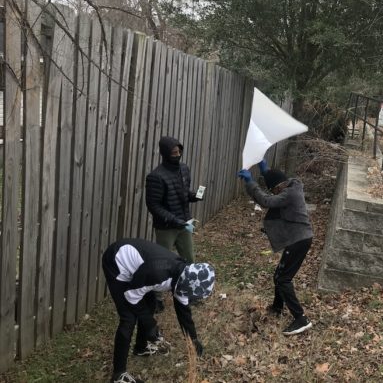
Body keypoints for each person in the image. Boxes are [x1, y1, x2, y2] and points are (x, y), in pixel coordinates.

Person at [102, 238, 215, 383]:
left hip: (142, 271)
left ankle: (141, 348)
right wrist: (150, 324)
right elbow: (131, 296)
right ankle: (118, 375)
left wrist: (193, 338)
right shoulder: (159, 274)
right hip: (117, 261)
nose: (191, 298)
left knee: (150, 305)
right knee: (128, 318)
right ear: (188, 285)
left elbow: (183, 311)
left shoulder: (184, 275)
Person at [237, 160, 313, 335]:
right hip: (299, 238)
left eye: (274, 189)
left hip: (298, 241)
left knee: (283, 279)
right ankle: (277, 308)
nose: (274, 192)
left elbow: (266, 201)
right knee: (279, 275)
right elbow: (274, 178)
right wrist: (264, 169)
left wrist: (250, 182)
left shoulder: (287, 194)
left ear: (279, 187)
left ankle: (301, 318)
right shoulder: (292, 185)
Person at [146, 136, 202, 263]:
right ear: (165, 154)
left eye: (179, 152)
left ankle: (186, 281)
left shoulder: (184, 169)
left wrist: (194, 196)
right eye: (173, 153)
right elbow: (153, 205)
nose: (177, 155)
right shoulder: (156, 176)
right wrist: (173, 219)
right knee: (163, 261)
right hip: (166, 228)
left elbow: (183, 193)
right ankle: (164, 283)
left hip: (185, 223)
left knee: (189, 259)